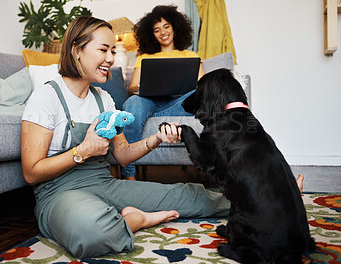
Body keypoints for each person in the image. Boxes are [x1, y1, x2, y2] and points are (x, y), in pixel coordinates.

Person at [21, 16, 230, 258]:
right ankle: (135, 219)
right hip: (58, 193)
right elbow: (31, 172)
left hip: (105, 185)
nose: (110, 59)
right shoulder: (46, 97)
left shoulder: (103, 99)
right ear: (77, 50)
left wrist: (156, 139)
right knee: (93, 232)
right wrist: (82, 152)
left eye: (112, 50)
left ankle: (261, 204)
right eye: (103, 50)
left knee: (190, 197)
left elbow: (122, 155)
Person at [122, 5, 205, 180]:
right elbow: (132, 87)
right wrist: (146, 88)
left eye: (166, 26)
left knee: (199, 96)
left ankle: (152, 114)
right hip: (149, 101)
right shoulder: (144, 57)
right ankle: (129, 175)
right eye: (156, 30)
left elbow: (203, 86)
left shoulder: (190, 55)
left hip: (178, 103)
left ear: (175, 27)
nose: (163, 32)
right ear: (151, 35)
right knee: (132, 103)